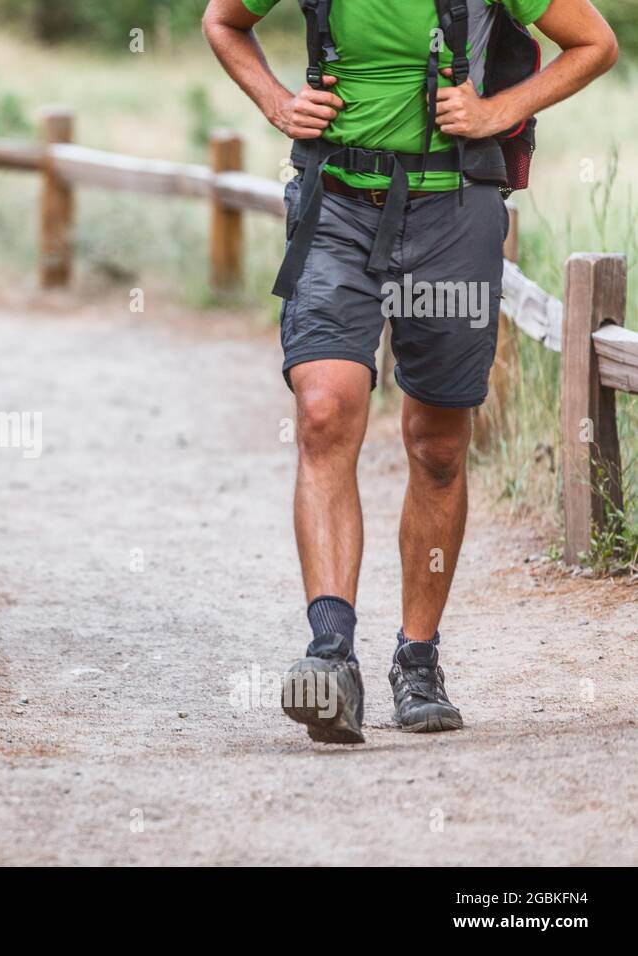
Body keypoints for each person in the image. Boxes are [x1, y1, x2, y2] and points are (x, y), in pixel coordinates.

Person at [203, 0, 618, 742]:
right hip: (335, 206)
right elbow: (223, 20)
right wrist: (277, 103)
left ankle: (416, 658)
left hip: (454, 211)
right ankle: (330, 656)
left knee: (436, 444)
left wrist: (497, 111)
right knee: (324, 409)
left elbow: (595, 43)